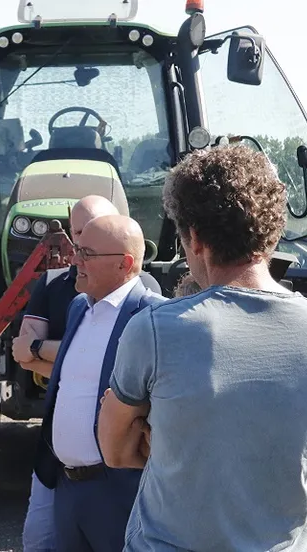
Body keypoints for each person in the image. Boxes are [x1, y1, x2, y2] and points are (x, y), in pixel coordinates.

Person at [99, 145, 307, 551]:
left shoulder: (156, 329)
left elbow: (114, 450)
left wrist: (178, 447)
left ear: (195, 237)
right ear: (271, 229)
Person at [11, 195, 162, 552]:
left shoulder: (154, 316)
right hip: (67, 486)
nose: (74, 259)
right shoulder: (80, 306)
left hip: (117, 492)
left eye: (87, 254)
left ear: (124, 264)